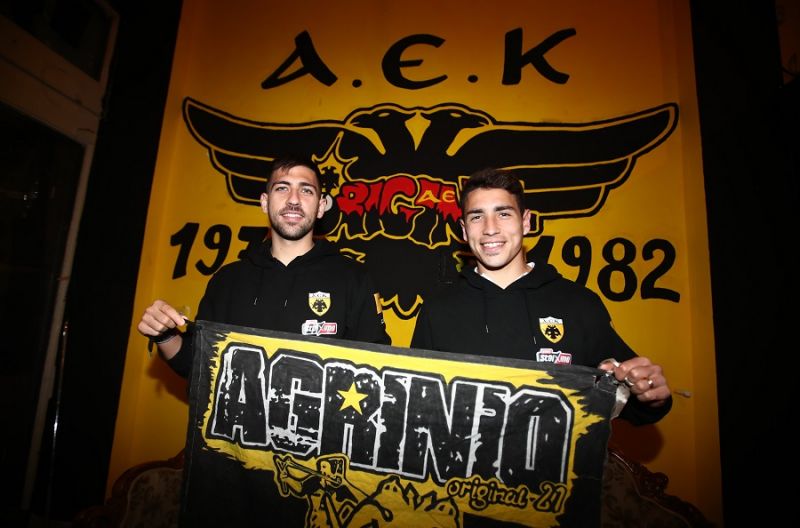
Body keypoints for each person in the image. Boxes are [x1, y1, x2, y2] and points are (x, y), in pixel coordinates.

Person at [411, 168, 671, 424]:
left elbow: (631, 400)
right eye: (477, 217)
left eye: (503, 213)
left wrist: (650, 394)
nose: (490, 229)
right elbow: (415, 408)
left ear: (525, 221)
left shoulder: (578, 303)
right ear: (464, 230)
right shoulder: (438, 310)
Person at [138, 155, 391, 377]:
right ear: (264, 202)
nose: (294, 200)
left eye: (306, 190)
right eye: (282, 188)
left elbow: (376, 371)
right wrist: (164, 335)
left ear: (321, 206)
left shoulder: (353, 278)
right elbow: (198, 366)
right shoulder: (227, 280)